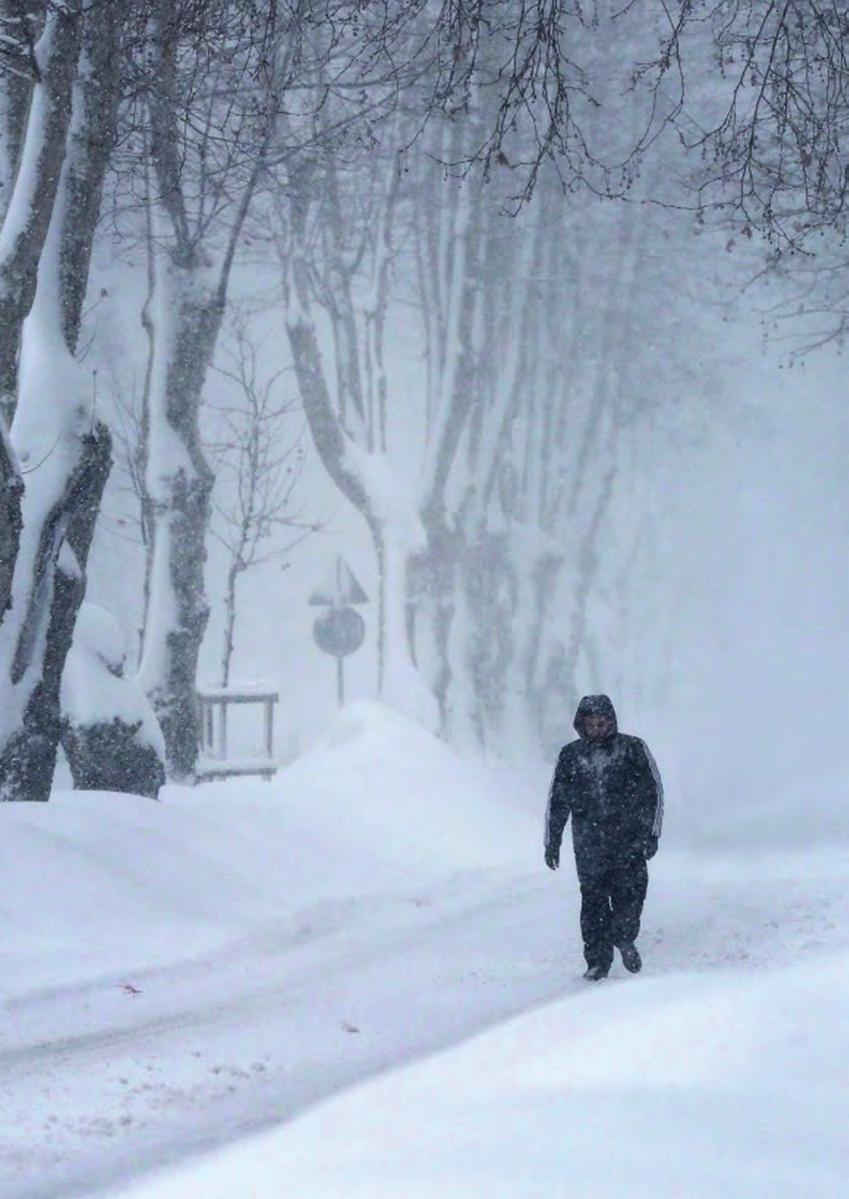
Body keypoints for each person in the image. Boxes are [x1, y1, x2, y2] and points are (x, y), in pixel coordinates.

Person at [544, 694, 663, 981]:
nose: (596, 728)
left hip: (629, 840)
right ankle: (597, 963)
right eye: (590, 724)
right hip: (588, 843)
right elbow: (557, 800)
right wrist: (553, 841)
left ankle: (624, 938)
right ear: (580, 725)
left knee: (630, 894)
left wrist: (652, 833)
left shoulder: (632, 748)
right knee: (593, 902)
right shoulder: (570, 755)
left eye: (602, 722)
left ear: (612, 721)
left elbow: (653, 792)